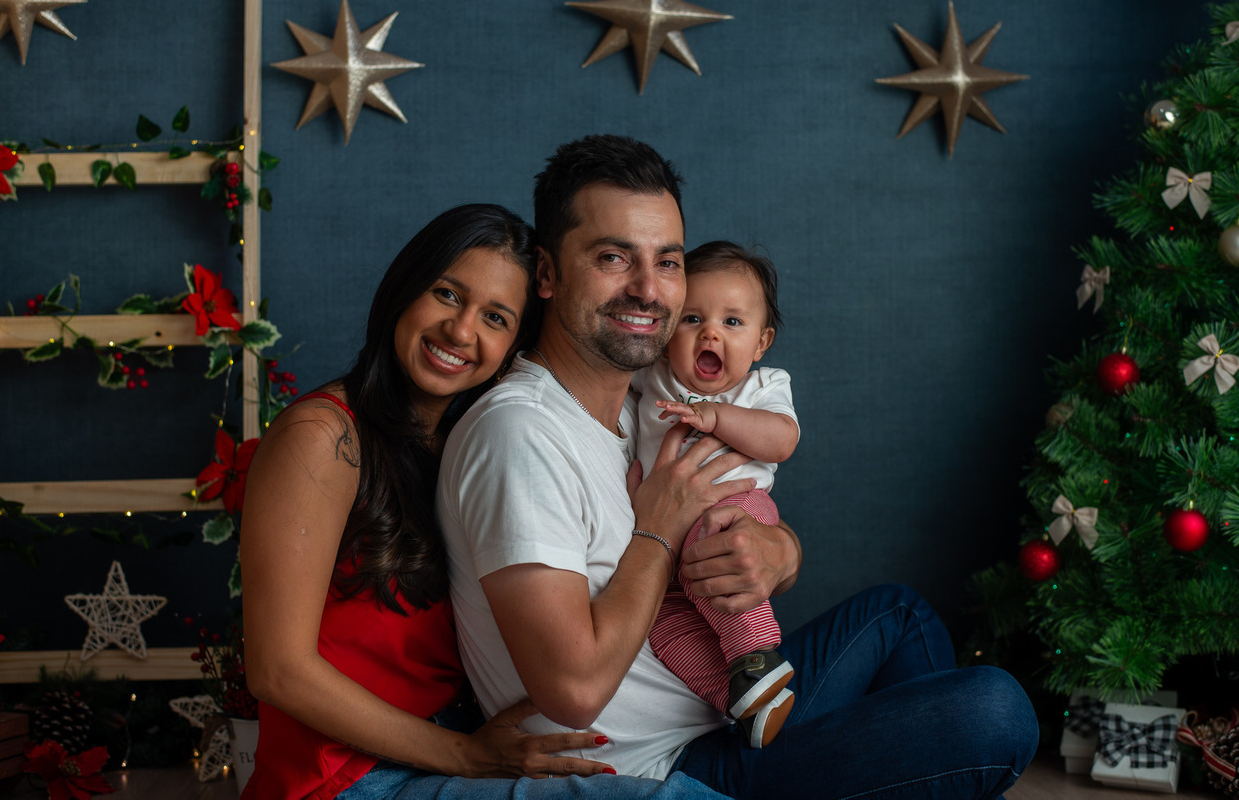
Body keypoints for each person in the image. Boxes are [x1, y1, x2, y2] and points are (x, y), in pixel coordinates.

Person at [437, 135, 1038, 799]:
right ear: (547, 274)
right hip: (662, 766)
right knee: (994, 709)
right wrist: (658, 532)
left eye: (666, 261)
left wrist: (781, 551)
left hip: (721, 715)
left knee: (900, 614)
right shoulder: (520, 431)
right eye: (612, 257)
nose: (647, 288)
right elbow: (573, 689)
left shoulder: (628, 415)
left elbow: (733, 511)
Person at [239, 204, 730, 800]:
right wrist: (462, 755)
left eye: (494, 317)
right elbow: (276, 669)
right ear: (404, 288)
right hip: (345, 777)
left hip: (453, 743)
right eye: (447, 295)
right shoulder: (322, 435)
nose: (462, 332)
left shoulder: (463, 436)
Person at [631, 241, 799, 749]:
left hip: (736, 513)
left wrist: (717, 417)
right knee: (662, 625)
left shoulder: (762, 387)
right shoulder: (652, 375)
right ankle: (742, 696)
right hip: (662, 553)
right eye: (691, 319)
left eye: (732, 323)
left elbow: (783, 439)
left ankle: (755, 654)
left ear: (761, 342)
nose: (710, 333)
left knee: (721, 544)